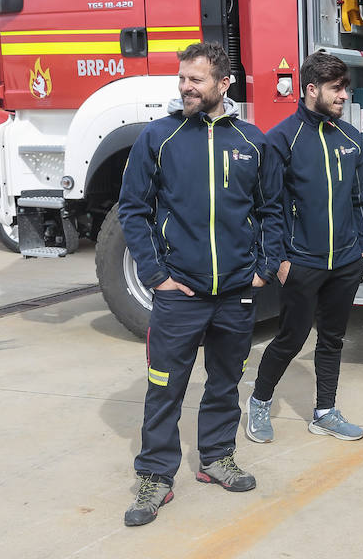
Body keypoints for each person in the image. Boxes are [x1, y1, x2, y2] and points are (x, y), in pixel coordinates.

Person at [117, 41, 284, 527]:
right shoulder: (159, 138)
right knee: (164, 384)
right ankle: (155, 475)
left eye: (197, 79)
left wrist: (263, 269)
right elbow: (133, 209)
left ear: (223, 84)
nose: (186, 87)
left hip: (236, 293)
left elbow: (272, 211)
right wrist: (156, 276)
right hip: (180, 293)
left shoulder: (253, 141)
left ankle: (215, 458)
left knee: (225, 381)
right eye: (183, 78)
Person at [246, 51, 363, 446]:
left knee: (333, 338)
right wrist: (280, 260)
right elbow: (267, 206)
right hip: (301, 263)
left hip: (346, 261)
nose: (344, 96)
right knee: (291, 337)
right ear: (311, 89)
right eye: (337, 89)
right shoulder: (282, 140)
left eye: (346, 88)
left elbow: (361, 200)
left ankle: (324, 412)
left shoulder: (352, 139)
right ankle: (259, 400)